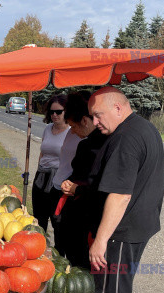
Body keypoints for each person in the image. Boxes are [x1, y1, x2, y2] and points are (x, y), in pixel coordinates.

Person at [87, 87, 164, 293]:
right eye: (92, 116)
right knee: (111, 290)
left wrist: (100, 241)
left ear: (117, 108)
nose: (95, 121)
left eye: (98, 115)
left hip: (120, 233)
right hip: (136, 226)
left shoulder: (125, 137)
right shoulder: (143, 127)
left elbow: (120, 195)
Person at [54, 91, 108, 271]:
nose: (72, 131)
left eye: (73, 126)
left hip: (86, 217)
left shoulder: (98, 146)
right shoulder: (89, 142)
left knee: (81, 264)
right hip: (78, 211)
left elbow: (101, 188)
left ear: (85, 120)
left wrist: (75, 189)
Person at [32, 95, 76, 233]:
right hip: (42, 175)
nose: (54, 115)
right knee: (39, 216)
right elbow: (42, 152)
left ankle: (59, 249)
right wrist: (39, 170)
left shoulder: (72, 132)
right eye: (51, 112)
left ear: (66, 111)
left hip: (58, 177)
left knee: (56, 218)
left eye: (58, 112)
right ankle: (40, 243)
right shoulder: (47, 128)